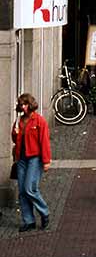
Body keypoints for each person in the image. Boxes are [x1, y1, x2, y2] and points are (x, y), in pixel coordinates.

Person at [11, 93, 51, 232]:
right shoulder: (19, 121)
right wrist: (16, 133)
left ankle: (44, 212)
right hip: (21, 159)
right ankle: (28, 220)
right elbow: (15, 140)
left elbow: (44, 142)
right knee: (22, 191)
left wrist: (46, 161)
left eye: (25, 104)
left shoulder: (39, 121)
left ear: (31, 104)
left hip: (35, 158)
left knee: (30, 189)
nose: (23, 107)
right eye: (21, 104)